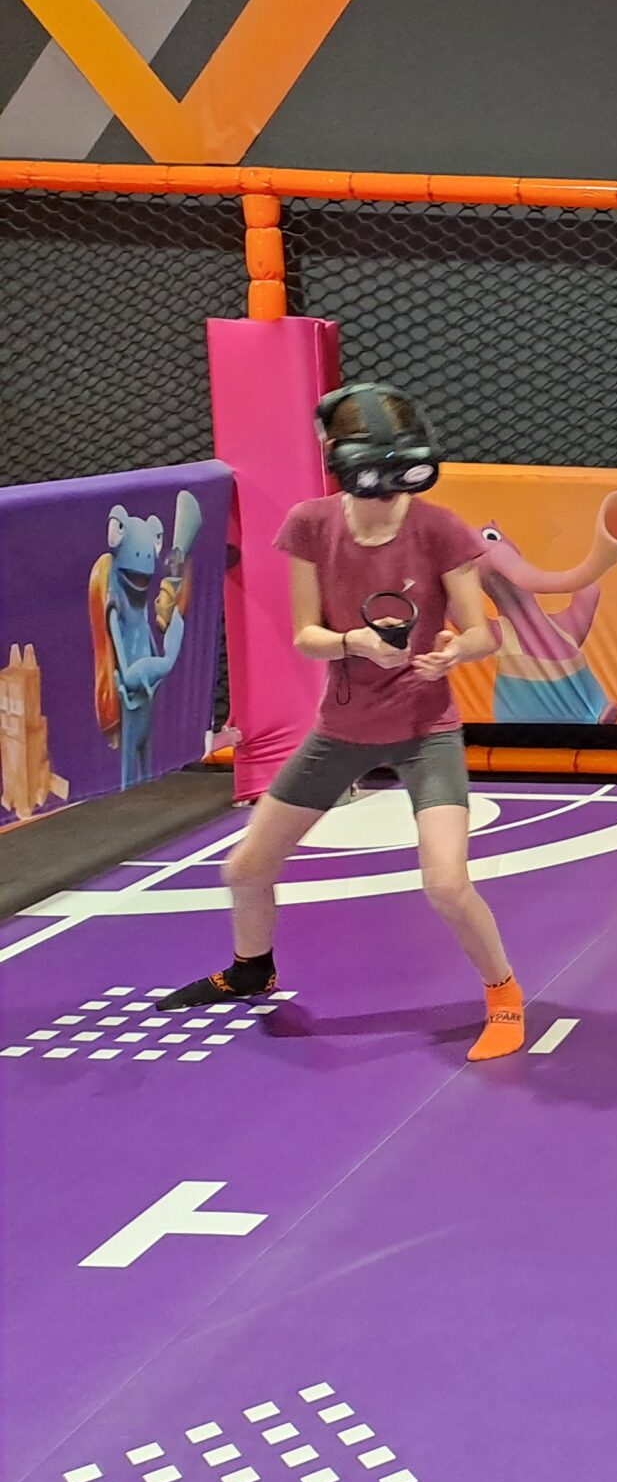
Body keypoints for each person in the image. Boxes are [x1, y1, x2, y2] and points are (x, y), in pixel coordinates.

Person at [157, 385, 527, 1064]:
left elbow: (483, 633)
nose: (386, 494)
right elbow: (306, 635)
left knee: (446, 883)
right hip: (341, 732)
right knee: (245, 869)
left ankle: (503, 992)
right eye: (372, 476)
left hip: (427, 733)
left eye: (399, 476)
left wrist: (452, 652)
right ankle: (251, 970)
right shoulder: (311, 524)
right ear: (339, 461)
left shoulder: (439, 528)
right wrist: (356, 642)